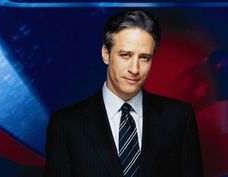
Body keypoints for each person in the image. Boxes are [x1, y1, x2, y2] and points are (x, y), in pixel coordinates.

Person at [43, 9, 203, 177]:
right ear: (106, 54)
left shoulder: (179, 118)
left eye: (144, 58)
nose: (134, 69)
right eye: (125, 55)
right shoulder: (66, 124)